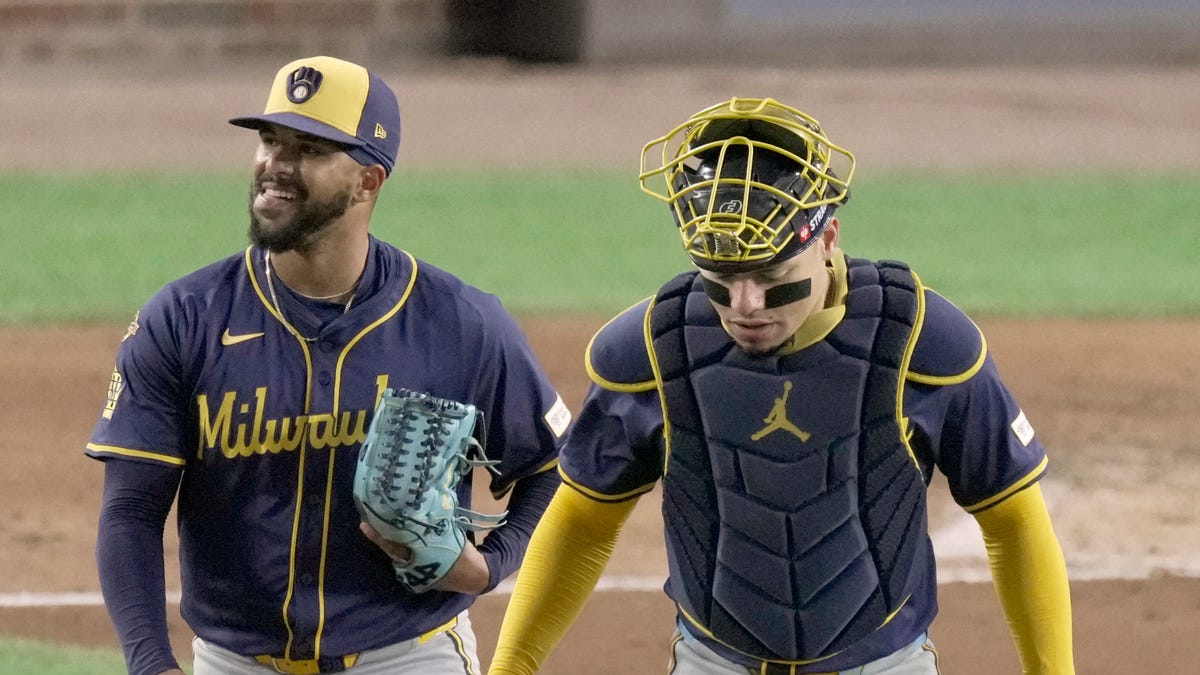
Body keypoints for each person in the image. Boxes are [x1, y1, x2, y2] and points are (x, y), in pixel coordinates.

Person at [488, 97, 1075, 674]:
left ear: (826, 240)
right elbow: (580, 523)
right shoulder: (653, 350)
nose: (744, 306)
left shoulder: (924, 342)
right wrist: (511, 667)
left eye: (772, 278)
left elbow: (1013, 521)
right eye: (720, 278)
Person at [86, 55, 570, 675]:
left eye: (309, 149)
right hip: (235, 662)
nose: (275, 166)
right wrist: (152, 664)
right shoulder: (184, 318)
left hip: (408, 658)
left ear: (368, 180)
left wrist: (490, 563)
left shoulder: (460, 323)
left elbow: (558, 468)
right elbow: (131, 510)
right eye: (269, 140)